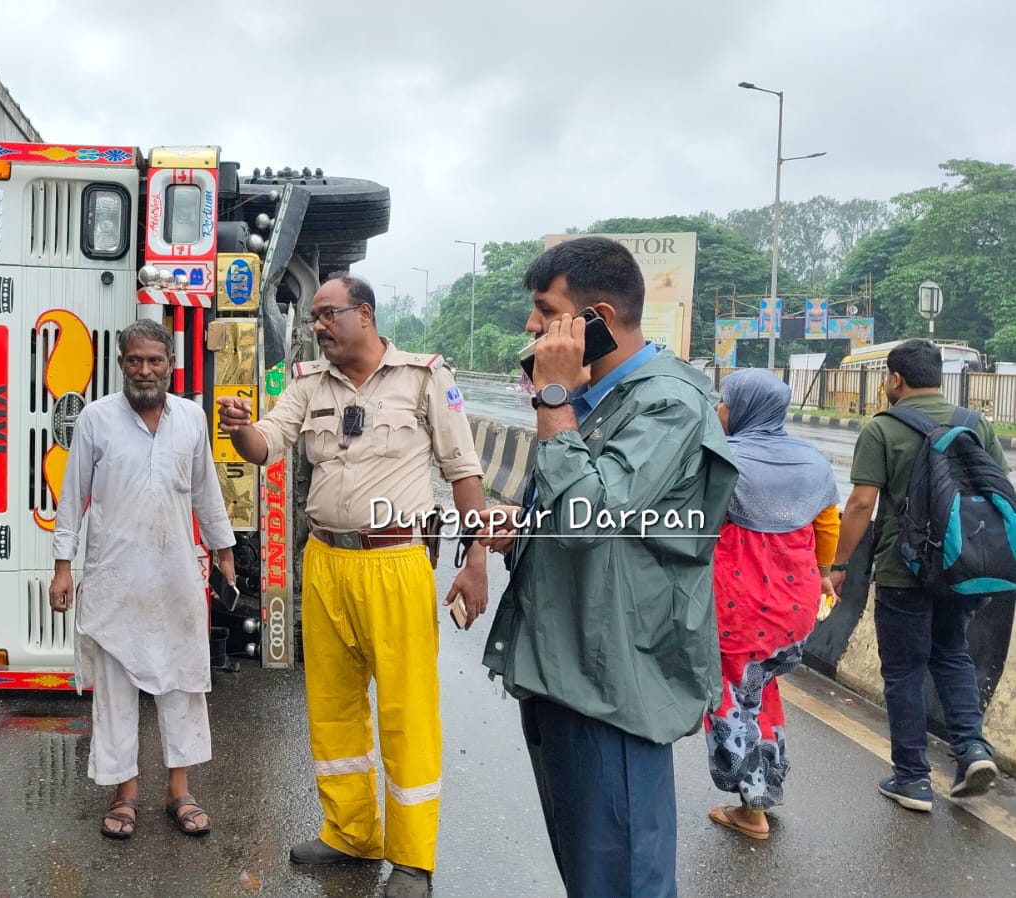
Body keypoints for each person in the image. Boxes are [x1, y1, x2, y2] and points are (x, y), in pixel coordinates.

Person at [217, 273, 490, 898]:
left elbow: (463, 469)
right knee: (334, 707)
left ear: (363, 314)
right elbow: (267, 445)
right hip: (326, 561)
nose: (316, 325)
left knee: (406, 711)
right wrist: (238, 427)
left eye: (325, 313)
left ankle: (414, 857)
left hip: (394, 562)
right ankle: (350, 832)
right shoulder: (308, 382)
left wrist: (474, 559)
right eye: (313, 317)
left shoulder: (425, 377)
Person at [481, 237, 737, 898]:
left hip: (615, 680)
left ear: (594, 316)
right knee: (588, 871)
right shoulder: (601, 399)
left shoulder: (669, 403)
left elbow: (591, 516)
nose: (532, 327)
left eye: (545, 311)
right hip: (566, 668)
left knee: (622, 877)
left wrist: (554, 397)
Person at [49, 320, 236, 841]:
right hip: (116, 578)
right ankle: (124, 794)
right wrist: (63, 566)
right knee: (114, 690)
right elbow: (72, 497)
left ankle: (180, 789)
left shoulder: (192, 419)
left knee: (182, 685)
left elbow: (207, 492)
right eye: (134, 360)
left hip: (176, 576)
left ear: (170, 364)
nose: (144, 370)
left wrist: (223, 552)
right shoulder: (95, 419)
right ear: (121, 364)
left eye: (155, 360)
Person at [830, 338, 1004, 810]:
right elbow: (997, 490)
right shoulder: (975, 423)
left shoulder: (883, 428)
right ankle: (971, 749)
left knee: (904, 670)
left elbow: (862, 504)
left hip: (902, 570)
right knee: (951, 655)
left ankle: (912, 778)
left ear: (894, 378)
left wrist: (840, 564)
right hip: (962, 567)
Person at [704, 368, 840, 839]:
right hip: (795, 604)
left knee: (728, 699)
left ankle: (753, 806)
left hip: (739, 605)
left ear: (743, 408)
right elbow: (828, 529)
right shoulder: (813, 462)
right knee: (761, 691)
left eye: (725, 402)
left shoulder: (724, 459)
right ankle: (768, 785)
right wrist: (824, 574)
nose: (720, 410)